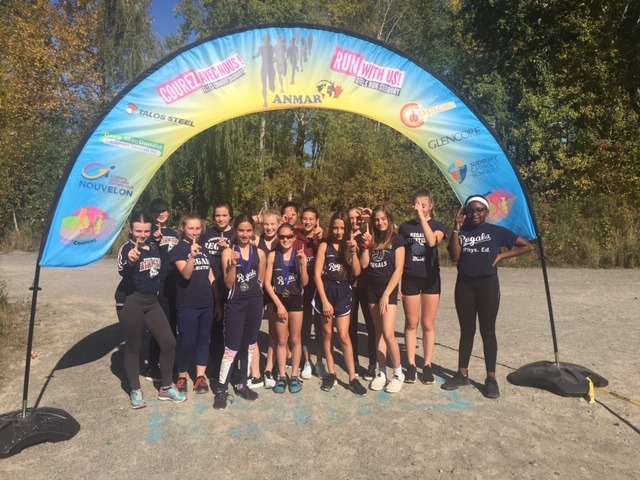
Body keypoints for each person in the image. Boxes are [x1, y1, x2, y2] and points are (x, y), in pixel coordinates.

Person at [443, 194, 533, 398]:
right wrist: (456, 228)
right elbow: (455, 257)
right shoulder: (461, 232)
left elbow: (527, 246)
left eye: (480, 210)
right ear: (465, 212)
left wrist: (502, 255)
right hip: (465, 286)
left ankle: (491, 378)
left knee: (488, 332)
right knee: (466, 331)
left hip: (488, 286)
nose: (475, 214)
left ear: (486, 211)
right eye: (472, 210)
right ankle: (462, 374)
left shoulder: (496, 231)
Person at [115, 212, 186, 409]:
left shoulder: (154, 246)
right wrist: (130, 261)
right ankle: (135, 389)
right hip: (131, 301)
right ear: (130, 229)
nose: (142, 235)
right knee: (133, 346)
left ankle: (165, 387)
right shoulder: (127, 248)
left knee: (169, 342)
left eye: (146, 231)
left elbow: (164, 268)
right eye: (138, 230)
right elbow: (122, 270)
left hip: (151, 302)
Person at [214, 214, 267, 409]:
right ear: (236, 231)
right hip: (236, 303)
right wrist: (234, 265)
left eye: (248, 230)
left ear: (254, 232)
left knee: (250, 345)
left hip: (254, 302)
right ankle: (221, 390)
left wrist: (259, 303)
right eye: (241, 230)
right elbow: (228, 284)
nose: (244, 234)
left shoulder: (259, 253)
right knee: (232, 348)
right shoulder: (228, 252)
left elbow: (259, 282)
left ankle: (242, 383)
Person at [313, 211, 367, 396]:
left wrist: (353, 253)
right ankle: (332, 374)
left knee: (344, 336)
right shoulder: (324, 247)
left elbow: (358, 272)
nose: (338, 231)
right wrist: (325, 301)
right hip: (326, 293)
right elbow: (317, 276)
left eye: (342, 228)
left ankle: (353, 378)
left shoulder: (351, 246)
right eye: (335, 227)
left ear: (347, 229)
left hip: (344, 292)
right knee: (327, 334)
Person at [399, 189, 447, 384]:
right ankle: (410, 365)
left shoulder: (438, 225)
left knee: (428, 324)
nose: (419, 208)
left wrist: (422, 218)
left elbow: (431, 241)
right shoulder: (405, 227)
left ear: (431, 206)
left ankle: (427, 365)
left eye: (423, 205)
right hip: (410, 278)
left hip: (431, 279)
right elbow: (399, 253)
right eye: (416, 204)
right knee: (411, 324)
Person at [170, 215, 222, 395]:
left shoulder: (205, 250)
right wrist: (192, 256)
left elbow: (210, 276)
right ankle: (182, 376)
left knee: (203, 341)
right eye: (190, 228)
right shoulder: (178, 250)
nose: (194, 232)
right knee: (186, 342)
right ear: (183, 228)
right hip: (187, 305)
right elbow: (186, 274)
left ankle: (200, 377)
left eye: (197, 229)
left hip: (206, 303)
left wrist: (217, 302)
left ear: (202, 230)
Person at [360, 205, 406, 393]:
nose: (380, 222)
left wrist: (387, 294)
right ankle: (381, 372)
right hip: (372, 289)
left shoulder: (397, 239)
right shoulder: (373, 239)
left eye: (383, 219)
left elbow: (399, 269)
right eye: (377, 219)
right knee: (378, 332)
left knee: (388, 333)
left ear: (389, 219)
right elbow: (364, 264)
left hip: (388, 291)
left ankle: (398, 373)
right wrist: (366, 245)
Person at [264, 223, 309, 393]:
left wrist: (304, 265)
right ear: (278, 237)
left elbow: (305, 282)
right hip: (279, 300)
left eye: (289, 237)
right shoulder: (272, 256)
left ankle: (295, 375)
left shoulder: (299, 256)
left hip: (296, 300)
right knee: (282, 340)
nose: (285, 240)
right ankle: (282, 376)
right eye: (282, 237)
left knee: (295, 339)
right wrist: (278, 304)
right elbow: (267, 283)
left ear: (294, 238)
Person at [144, 199, 179, 381]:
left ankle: (169, 362)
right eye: (158, 211)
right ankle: (152, 365)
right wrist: (153, 241)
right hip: (159, 283)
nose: (162, 214)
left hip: (175, 283)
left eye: (164, 210)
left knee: (172, 325)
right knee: (159, 326)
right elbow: (143, 254)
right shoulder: (148, 232)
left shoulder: (173, 233)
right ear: (152, 213)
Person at [201, 202, 236, 381]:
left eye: (224, 215)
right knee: (215, 328)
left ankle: (234, 367)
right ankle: (216, 365)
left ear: (230, 216)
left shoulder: (237, 234)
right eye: (217, 215)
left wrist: (227, 250)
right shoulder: (207, 234)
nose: (221, 218)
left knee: (232, 328)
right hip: (210, 285)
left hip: (231, 286)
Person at [249, 211, 280, 389]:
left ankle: (270, 367)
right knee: (253, 330)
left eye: (272, 224)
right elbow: (242, 232)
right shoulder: (256, 241)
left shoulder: (283, 240)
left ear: (278, 224)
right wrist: (252, 222)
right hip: (259, 291)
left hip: (277, 292)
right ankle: (255, 371)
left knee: (275, 332)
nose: (269, 227)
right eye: (266, 224)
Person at [295, 206, 325, 379]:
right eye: (305, 219)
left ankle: (319, 361)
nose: (307, 222)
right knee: (305, 326)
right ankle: (307, 362)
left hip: (320, 289)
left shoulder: (323, 238)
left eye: (311, 219)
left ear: (317, 220)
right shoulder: (296, 239)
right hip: (302, 290)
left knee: (320, 327)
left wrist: (321, 239)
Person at [347, 207, 376, 380]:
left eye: (357, 218)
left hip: (368, 286)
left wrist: (371, 218)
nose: (354, 221)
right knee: (351, 326)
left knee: (371, 326)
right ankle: (354, 361)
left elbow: (388, 231)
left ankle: (373, 363)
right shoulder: (344, 236)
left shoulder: (368, 233)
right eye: (350, 218)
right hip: (349, 286)